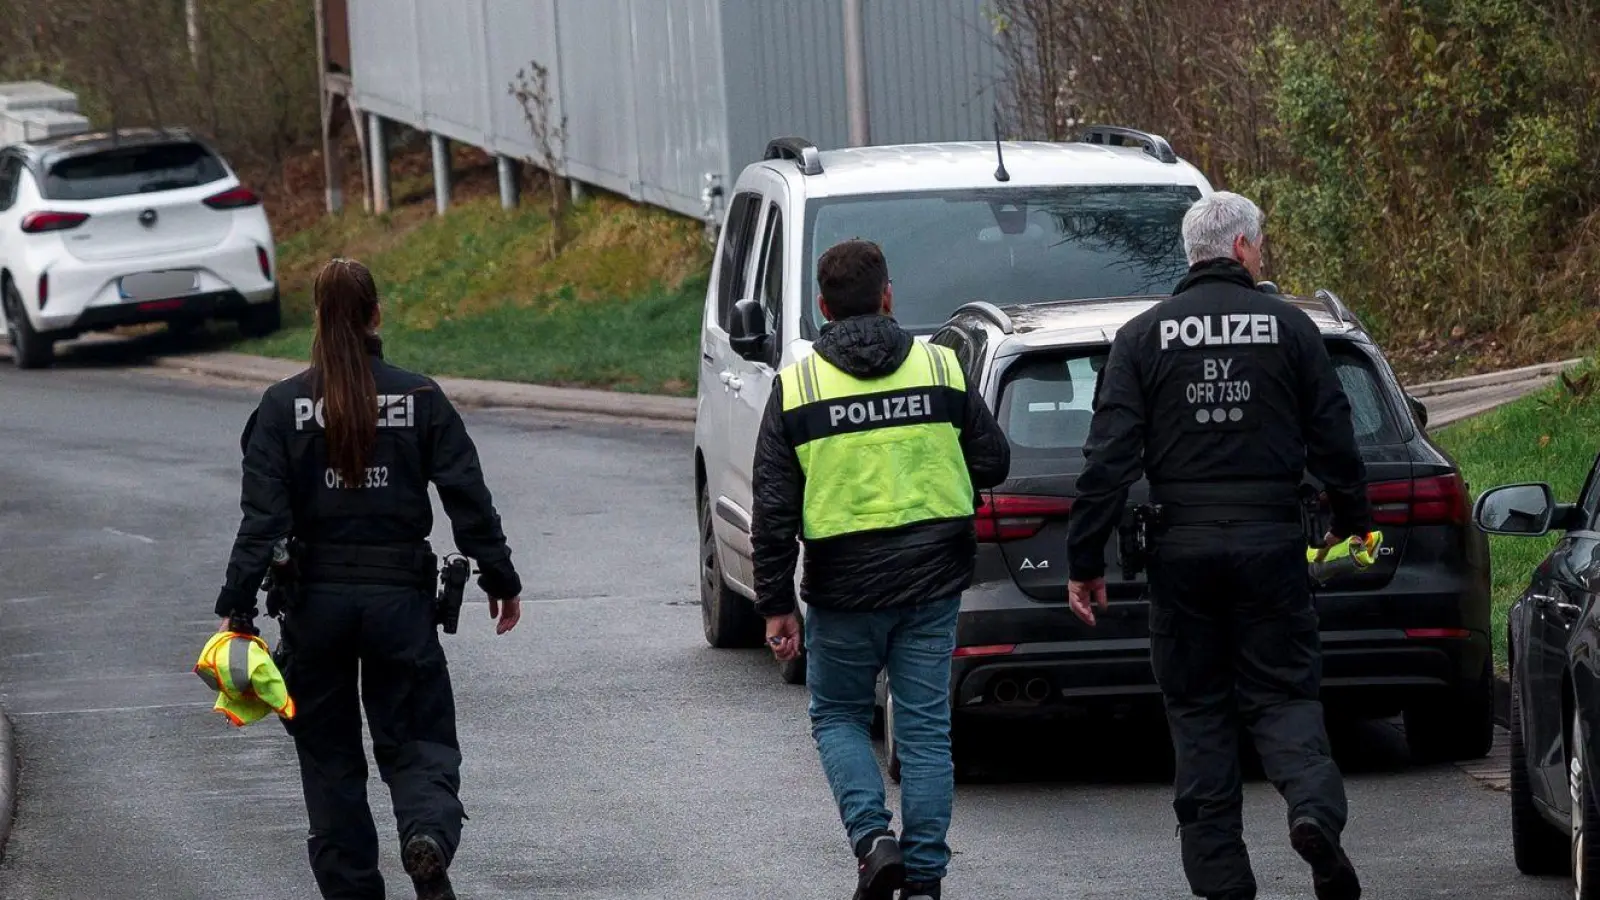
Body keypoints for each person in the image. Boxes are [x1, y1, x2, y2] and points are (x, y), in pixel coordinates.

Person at [1063, 192, 1371, 900]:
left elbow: (1106, 460)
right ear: (1240, 249)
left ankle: (1224, 881)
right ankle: (1314, 813)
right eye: (1258, 246)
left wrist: (1085, 561)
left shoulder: (1143, 337)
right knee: (1286, 695)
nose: (1261, 257)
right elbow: (1334, 436)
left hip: (1182, 551)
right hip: (1272, 543)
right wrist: (1354, 517)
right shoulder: (1291, 329)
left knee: (1199, 712)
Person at [212, 258, 523, 900]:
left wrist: (237, 610)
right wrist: (499, 576)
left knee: (329, 765)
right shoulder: (421, 399)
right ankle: (428, 836)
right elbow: (467, 495)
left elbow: (262, 524)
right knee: (417, 741)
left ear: (319, 322)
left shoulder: (280, 408)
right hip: (399, 607)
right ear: (376, 315)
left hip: (313, 610)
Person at [751, 239, 1010, 900]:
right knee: (924, 731)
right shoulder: (941, 368)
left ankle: (873, 843)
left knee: (837, 716)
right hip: (932, 583)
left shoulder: (799, 385)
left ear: (822, 306)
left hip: (843, 589)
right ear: (887, 294)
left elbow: (774, 508)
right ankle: (923, 878)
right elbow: (993, 461)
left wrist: (775, 603)